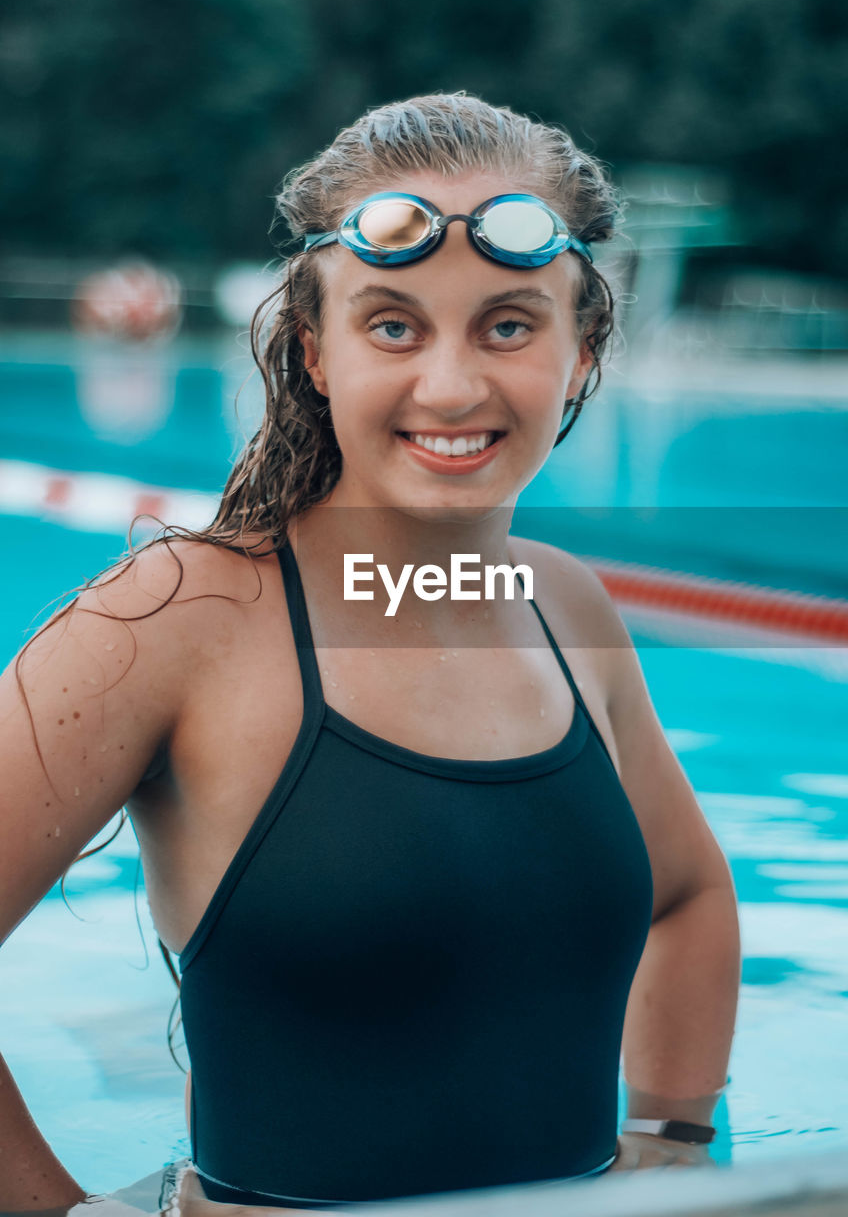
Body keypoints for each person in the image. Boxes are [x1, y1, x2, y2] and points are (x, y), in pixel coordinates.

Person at [0, 93, 740, 1215]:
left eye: (507, 324)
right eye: (392, 324)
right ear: (314, 348)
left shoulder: (560, 601)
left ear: (581, 350)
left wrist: (671, 1132)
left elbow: (685, 892)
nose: (450, 386)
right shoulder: (172, 614)